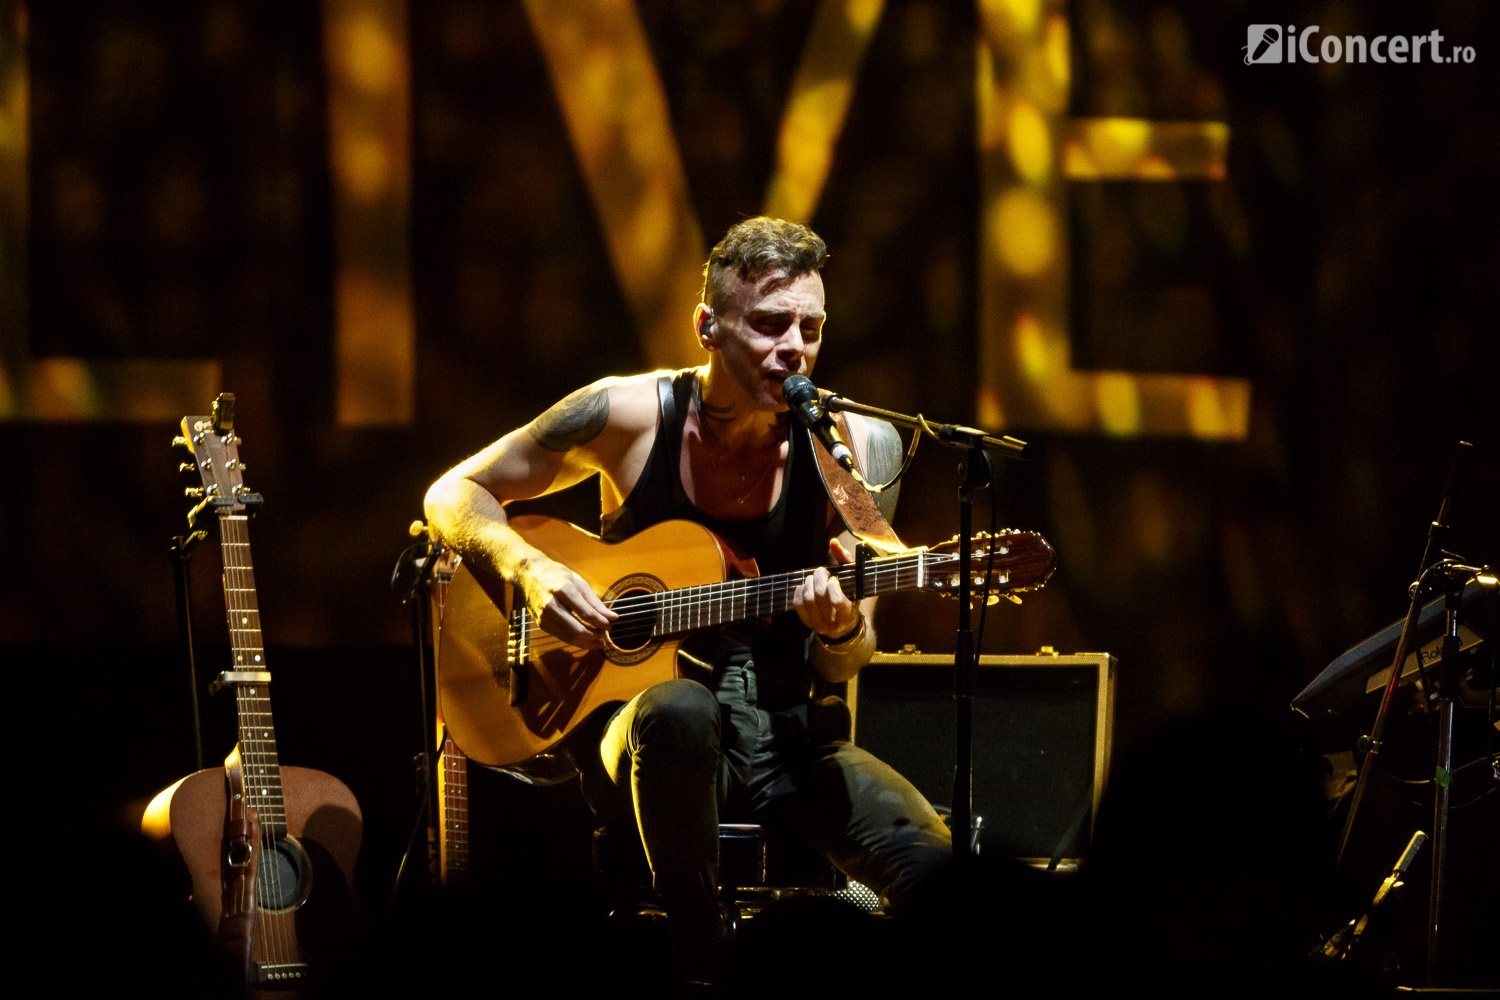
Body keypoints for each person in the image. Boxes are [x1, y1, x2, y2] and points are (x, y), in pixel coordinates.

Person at [423, 215, 953, 988]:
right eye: (768, 325)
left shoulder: (858, 451)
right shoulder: (629, 415)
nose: (794, 348)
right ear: (708, 326)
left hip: (786, 738)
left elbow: (850, 656)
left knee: (937, 877)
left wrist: (840, 630)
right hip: (637, 734)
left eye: (810, 328)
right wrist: (532, 570)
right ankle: (700, 963)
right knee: (679, 711)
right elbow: (452, 492)